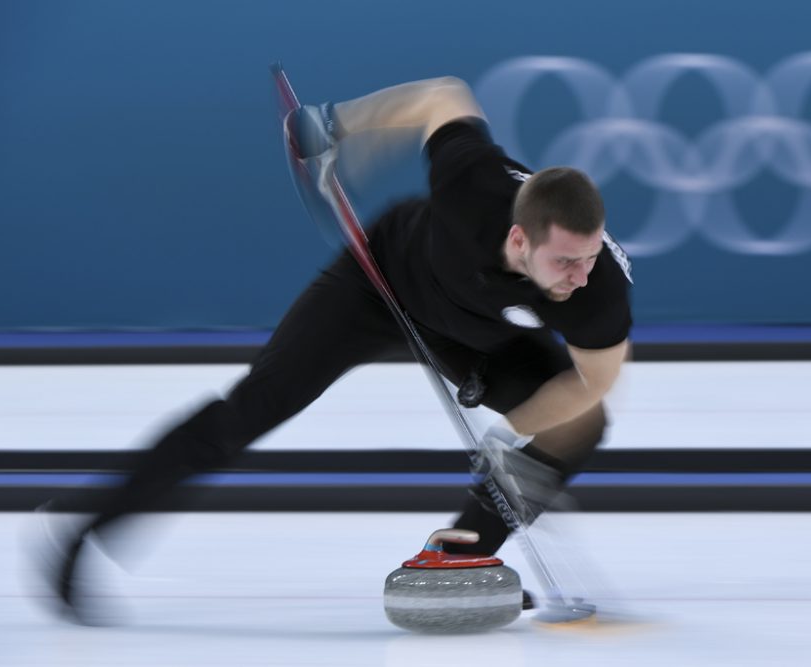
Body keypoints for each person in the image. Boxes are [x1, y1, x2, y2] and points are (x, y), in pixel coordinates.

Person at [41, 75, 633, 624]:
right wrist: (334, 123)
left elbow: (597, 382)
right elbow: (443, 97)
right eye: (564, 262)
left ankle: (459, 561)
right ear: (518, 237)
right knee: (252, 407)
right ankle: (88, 526)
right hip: (381, 282)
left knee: (580, 424)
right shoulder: (472, 186)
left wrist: (517, 438)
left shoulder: (594, 285)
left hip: (480, 335)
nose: (579, 276)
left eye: (587, 260)